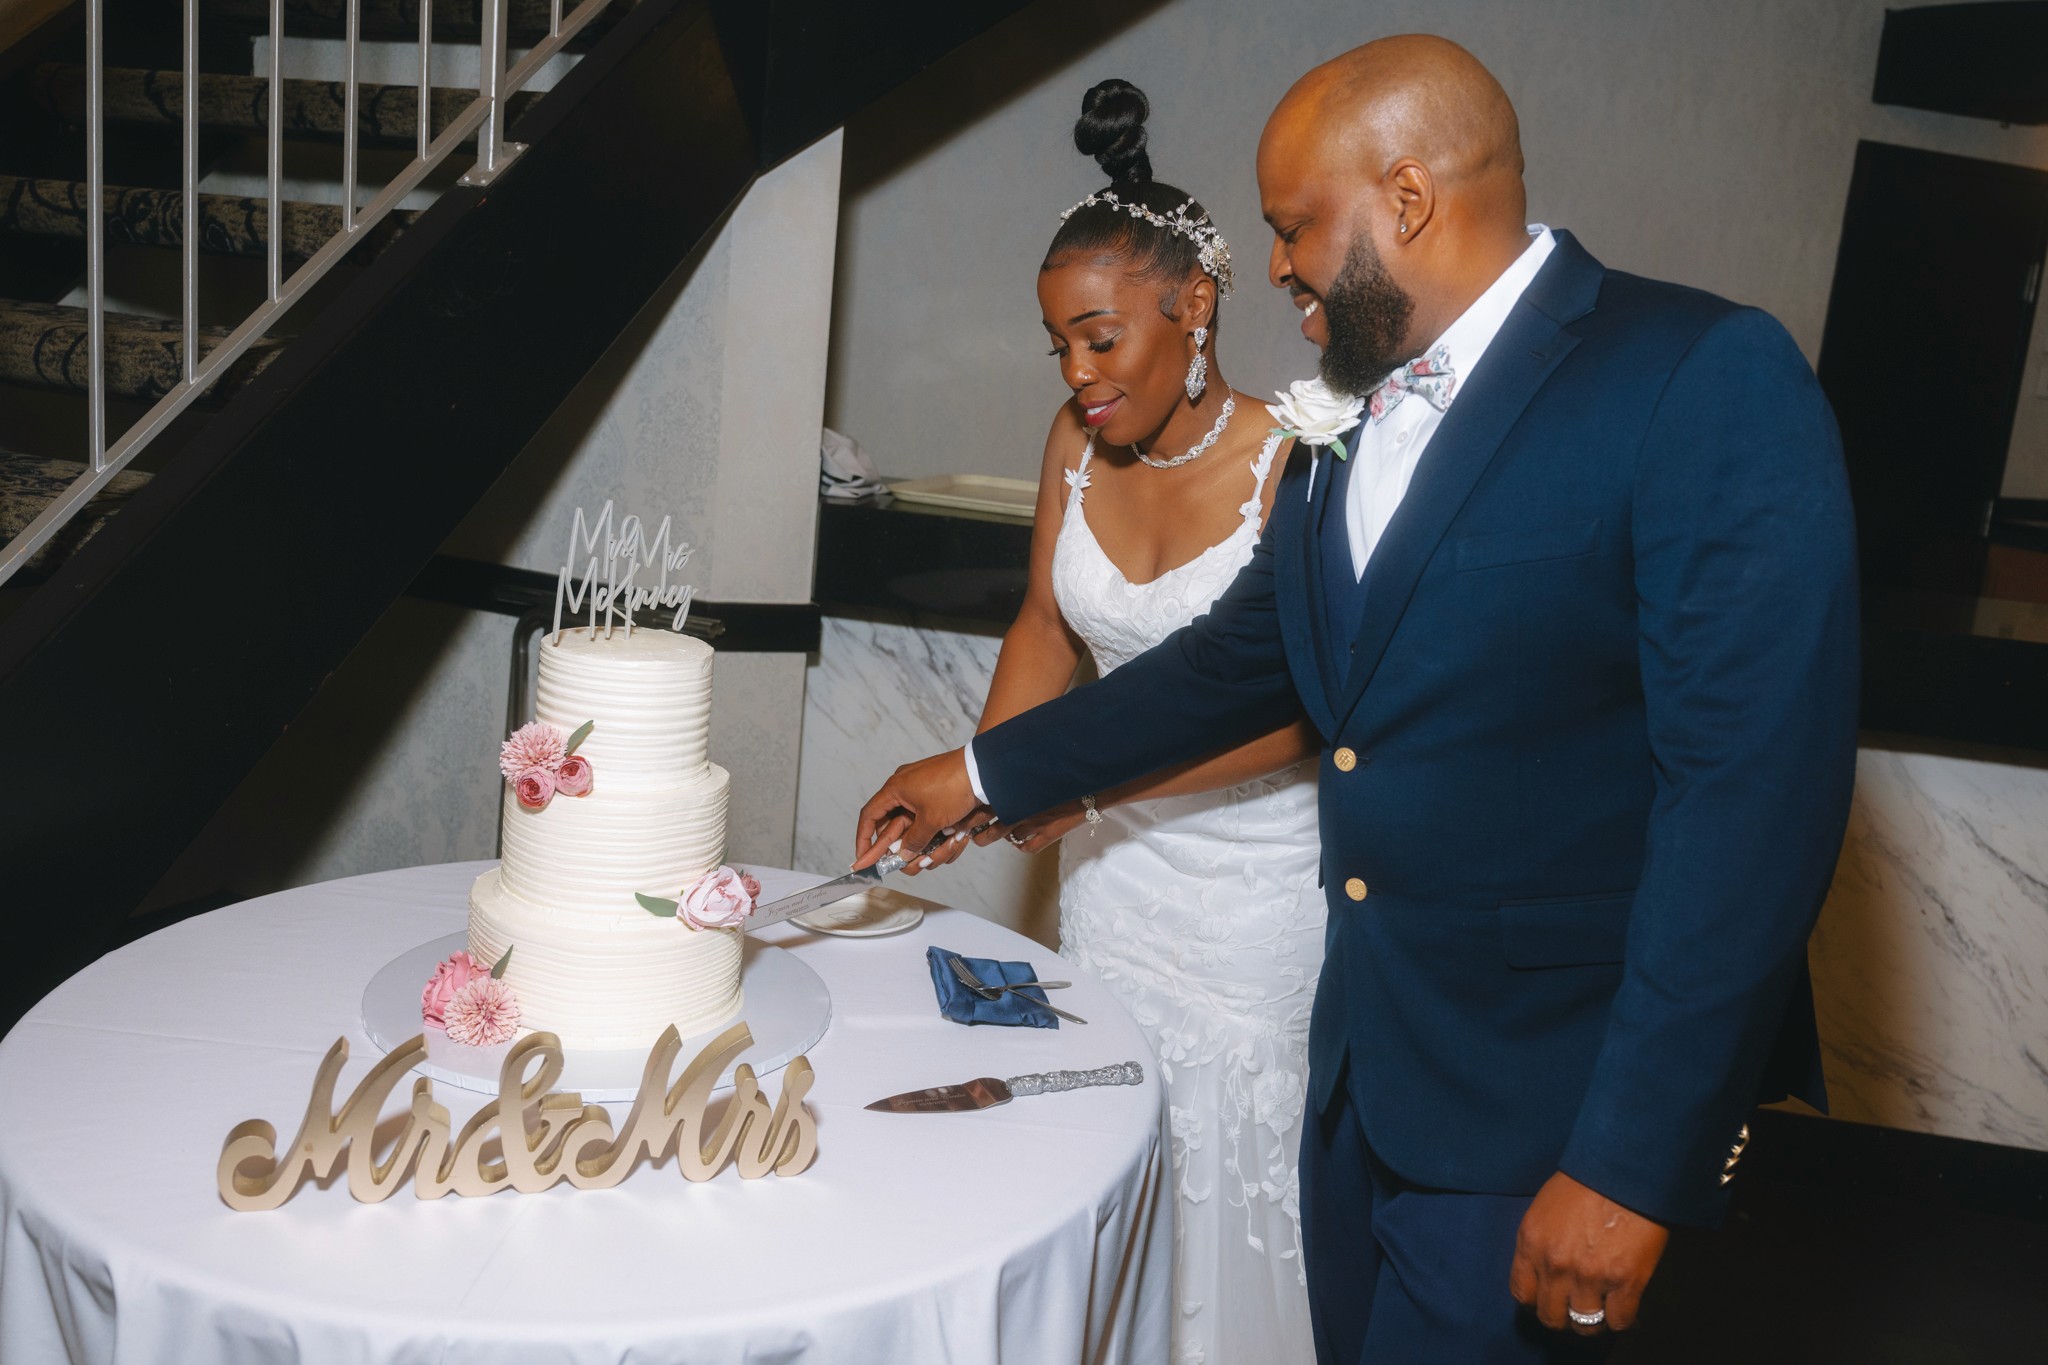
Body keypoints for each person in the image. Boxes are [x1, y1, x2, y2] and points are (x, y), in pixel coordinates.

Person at [855, 34, 1860, 1365]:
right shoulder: (1346, 412)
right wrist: (984, 773)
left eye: (1292, 226)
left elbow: (1750, 804)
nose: (1274, 266)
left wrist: (1631, 1162)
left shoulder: (1693, 375)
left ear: (1407, 198)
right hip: (1355, 1090)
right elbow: (1239, 659)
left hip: (1540, 1116)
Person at [904, 79, 1325, 1364]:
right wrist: (988, 780)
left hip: (1252, 891)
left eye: (1099, 340)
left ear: (1193, 307)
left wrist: (1074, 786)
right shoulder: (1074, 444)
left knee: (1232, 1175)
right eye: (1059, 348)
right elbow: (1045, 622)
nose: (1078, 377)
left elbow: (1296, 709)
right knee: (1106, 1146)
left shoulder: (1295, 461)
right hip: (1111, 886)